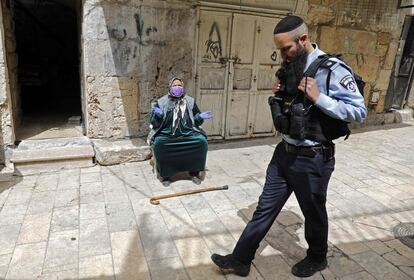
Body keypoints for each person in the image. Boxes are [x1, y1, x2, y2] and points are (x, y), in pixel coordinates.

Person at [211, 15, 367, 277]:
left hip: (313, 158)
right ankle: (240, 259)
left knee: (313, 211)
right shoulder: (292, 65)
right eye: (280, 49)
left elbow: (359, 112)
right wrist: (282, 92)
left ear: (303, 39)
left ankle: (317, 257)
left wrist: (320, 97)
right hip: (284, 152)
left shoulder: (333, 69)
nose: (283, 54)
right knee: (265, 207)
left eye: (287, 48)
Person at [148, 77, 213, 186]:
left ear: (183, 87)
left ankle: (194, 172)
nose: (177, 87)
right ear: (170, 87)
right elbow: (154, 125)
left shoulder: (190, 101)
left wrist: (200, 117)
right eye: (174, 85)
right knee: (159, 144)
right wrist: (158, 116)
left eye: (179, 85)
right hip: (167, 135)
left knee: (201, 142)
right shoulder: (162, 102)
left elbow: (195, 122)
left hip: (188, 134)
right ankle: (166, 175)